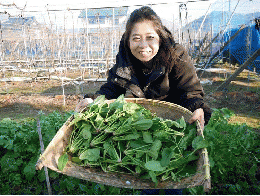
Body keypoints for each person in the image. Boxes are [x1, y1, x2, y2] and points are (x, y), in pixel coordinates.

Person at [76, 6, 212, 129]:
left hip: (171, 125)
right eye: (136, 38)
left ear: (160, 38)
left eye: (150, 37)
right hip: (136, 126)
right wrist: (93, 100)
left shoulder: (176, 56)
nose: (143, 45)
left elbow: (190, 91)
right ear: (128, 41)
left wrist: (197, 107)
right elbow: (113, 88)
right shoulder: (125, 59)